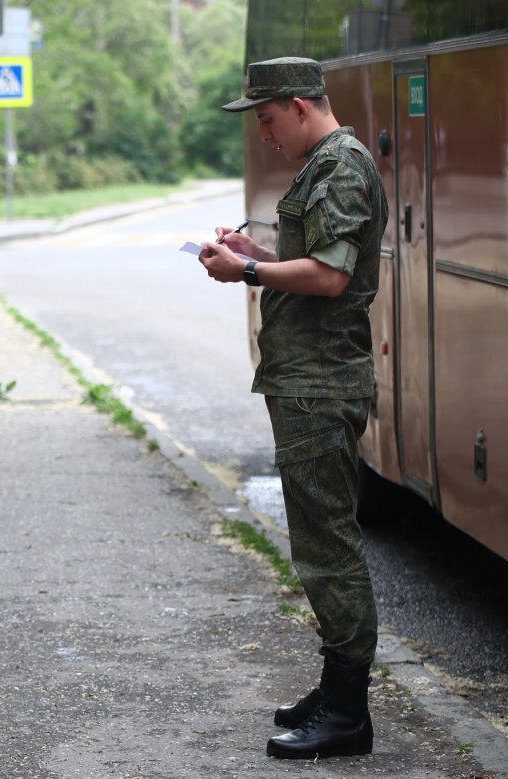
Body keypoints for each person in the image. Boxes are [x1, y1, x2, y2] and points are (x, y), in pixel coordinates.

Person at [199, 57, 387, 760]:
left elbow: (332, 276)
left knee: (327, 546)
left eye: (267, 119)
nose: (265, 135)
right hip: (306, 379)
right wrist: (261, 251)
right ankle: (335, 693)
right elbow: (312, 259)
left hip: (320, 382)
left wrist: (246, 269)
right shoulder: (328, 163)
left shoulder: (340, 165)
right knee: (316, 541)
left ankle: (347, 712)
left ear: (299, 106)